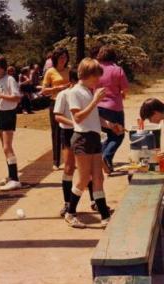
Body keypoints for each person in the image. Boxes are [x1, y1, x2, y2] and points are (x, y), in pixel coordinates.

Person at [66, 58, 120, 228]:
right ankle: (70, 212)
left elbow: (93, 116)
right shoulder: (75, 92)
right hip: (82, 138)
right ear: (87, 75)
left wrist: (110, 125)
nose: (98, 80)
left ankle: (105, 216)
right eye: (96, 76)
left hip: (94, 138)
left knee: (98, 177)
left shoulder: (89, 91)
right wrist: (95, 100)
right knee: (83, 179)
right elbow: (78, 117)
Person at [53, 68, 97, 217]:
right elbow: (58, 117)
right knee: (69, 167)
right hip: (69, 132)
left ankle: (94, 200)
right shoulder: (63, 94)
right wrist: (74, 123)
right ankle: (68, 203)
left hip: (83, 131)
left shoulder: (86, 93)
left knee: (89, 169)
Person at [0, 55, 22, 190]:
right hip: (0, 114)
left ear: (2, 68)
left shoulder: (10, 79)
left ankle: (15, 179)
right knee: (4, 147)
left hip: (9, 114)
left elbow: (17, 98)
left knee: (7, 147)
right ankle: (10, 175)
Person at [96, 46, 129, 173]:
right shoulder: (117, 70)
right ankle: (106, 156)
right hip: (114, 107)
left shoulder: (96, 70)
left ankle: (104, 160)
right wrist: (121, 94)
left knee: (106, 136)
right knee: (118, 135)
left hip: (98, 106)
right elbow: (125, 89)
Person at [42, 47, 71, 170]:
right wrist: (57, 88)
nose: (63, 60)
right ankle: (56, 161)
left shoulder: (69, 70)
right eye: (61, 57)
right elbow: (44, 91)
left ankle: (69, 159)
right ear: (56, 58)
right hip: (55, 102)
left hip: (69, 103)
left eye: (65, 57)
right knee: (56, 132)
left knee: (69, 130)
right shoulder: (50, 71)